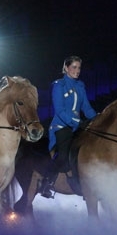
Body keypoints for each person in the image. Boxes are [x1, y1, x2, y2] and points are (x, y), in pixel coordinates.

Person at [38, 56, 97, 198]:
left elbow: (87, 108)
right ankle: (46, 182)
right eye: (74, 67)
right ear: (66, 68)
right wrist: (76, 122)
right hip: (61, 127)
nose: (77, 71)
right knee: (63, 156)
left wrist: (98, 119)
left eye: (79, 68)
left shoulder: (80, 86)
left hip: (77, 128)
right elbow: (59, 111)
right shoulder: (59, 85)